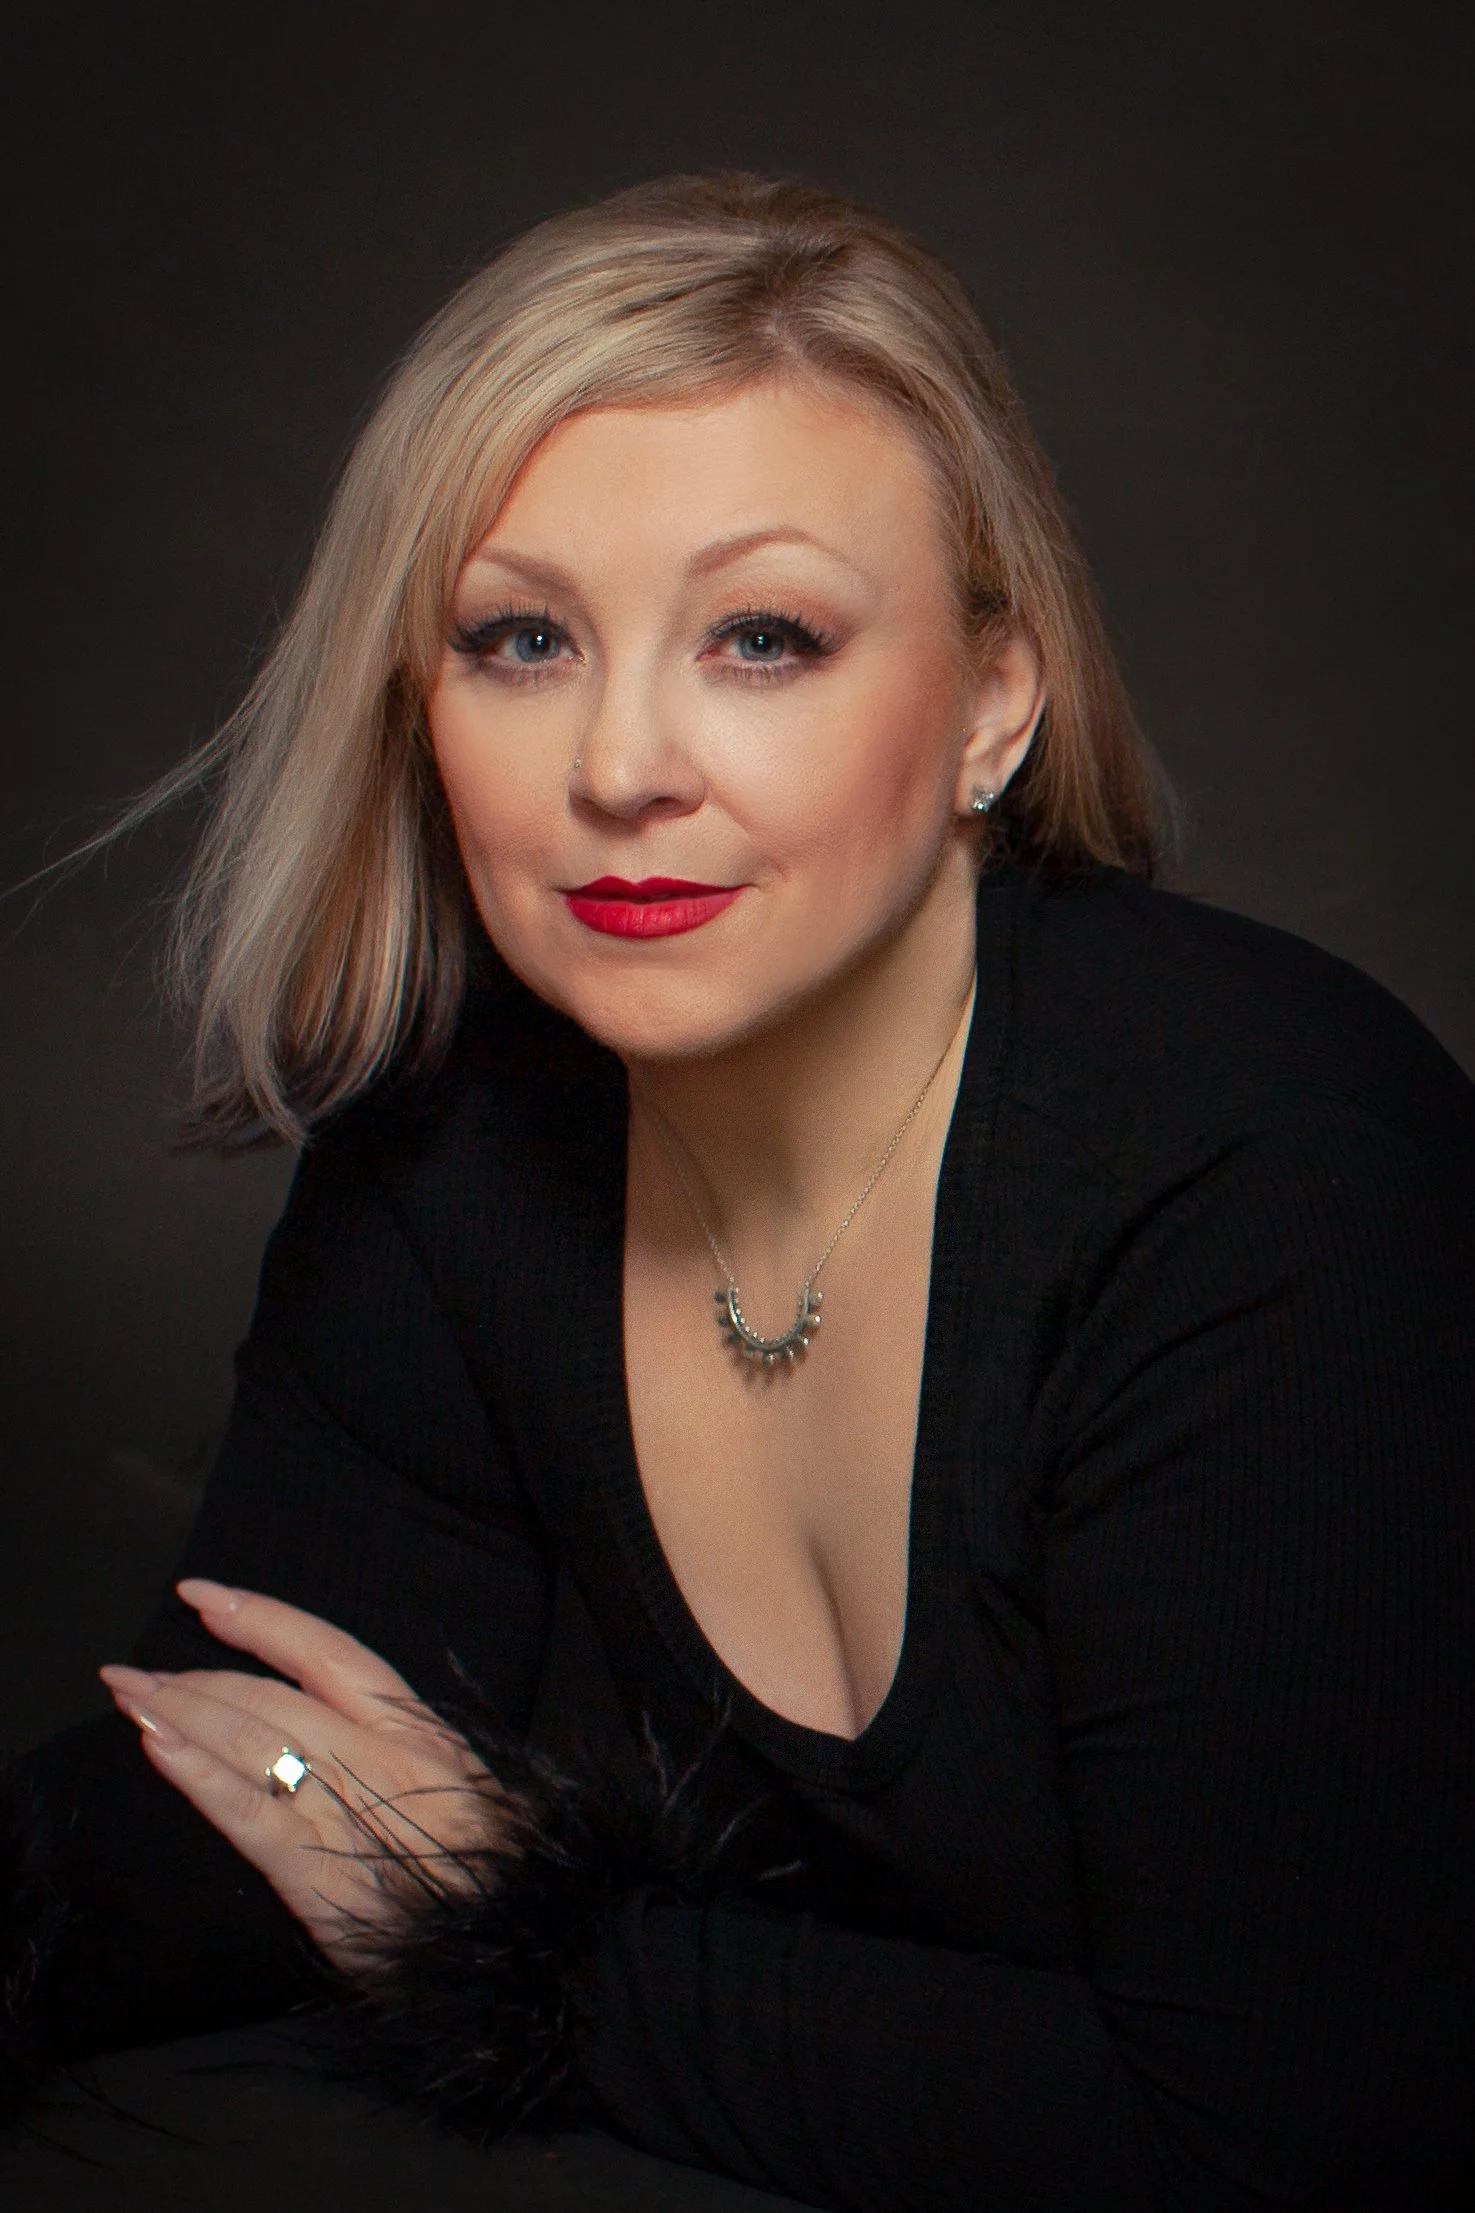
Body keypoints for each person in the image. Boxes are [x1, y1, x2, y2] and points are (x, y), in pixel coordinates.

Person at [3, 172, 1473, 2211]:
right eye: (521, 638)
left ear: (992, 701)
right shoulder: (459, 1141)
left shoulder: (1266, 1186)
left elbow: (1273, 2139)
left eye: (761, 638)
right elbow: (257, 1779)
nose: (619, 764)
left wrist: (519, 1939)